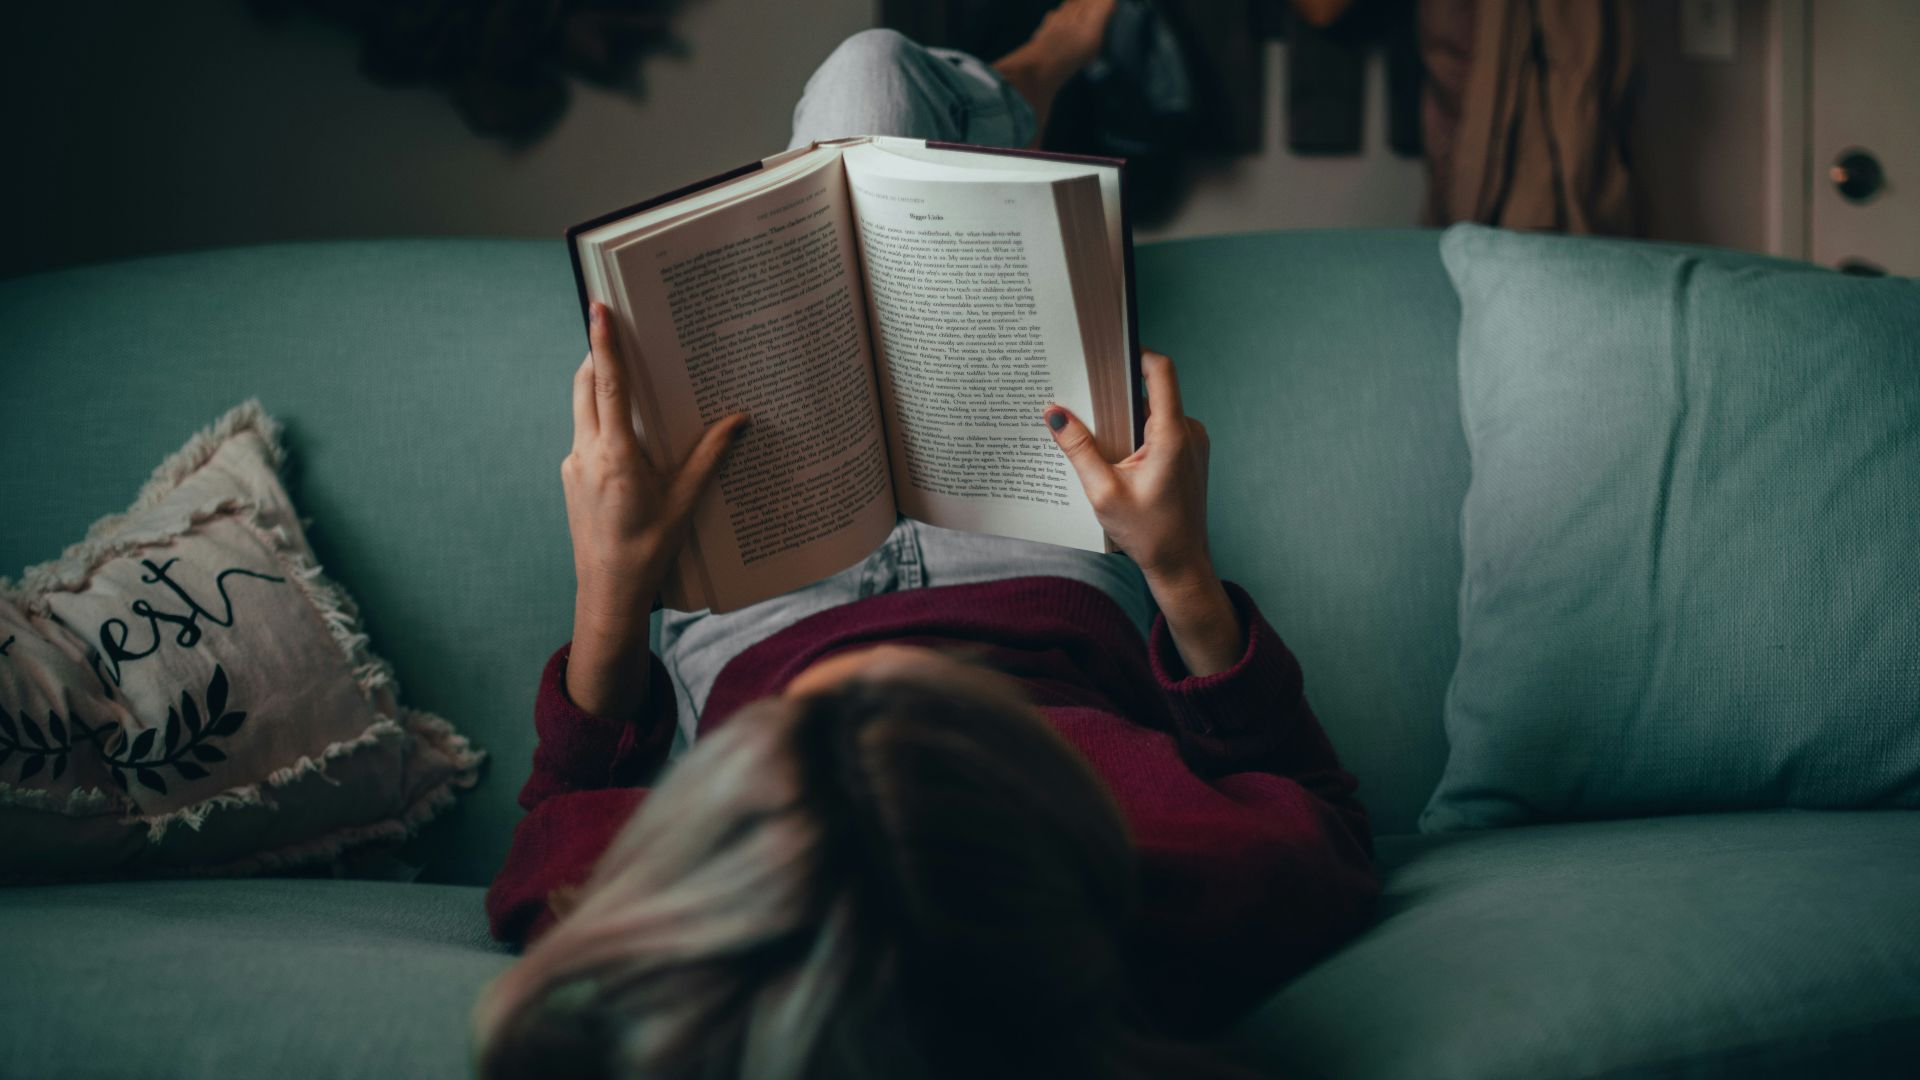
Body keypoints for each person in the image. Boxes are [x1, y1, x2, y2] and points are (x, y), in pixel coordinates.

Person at [475, 4, 1379, 1076]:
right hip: (1029, 569)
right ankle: (1056, 62)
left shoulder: (671, 944)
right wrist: (1179, 568)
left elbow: (559, 818)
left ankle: (1037, 75)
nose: (884, 693)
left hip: (766, 600)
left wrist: (612, 588)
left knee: (863, 108)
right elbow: (1322, 812)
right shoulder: (1177, 899)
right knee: (874, 92)